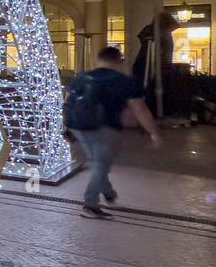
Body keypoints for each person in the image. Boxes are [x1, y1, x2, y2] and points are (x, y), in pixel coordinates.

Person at [64, 45, 161, 219]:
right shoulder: (124, 81)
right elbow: (140, 109)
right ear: (119, 61)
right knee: (101, 165)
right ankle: (90, 205)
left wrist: (65, 126)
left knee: (98, 162)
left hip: (78, 126)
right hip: (105, 127)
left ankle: (108, 192)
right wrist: (153, 133)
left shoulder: (81, 78)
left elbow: (67, 102)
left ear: (98, 59)